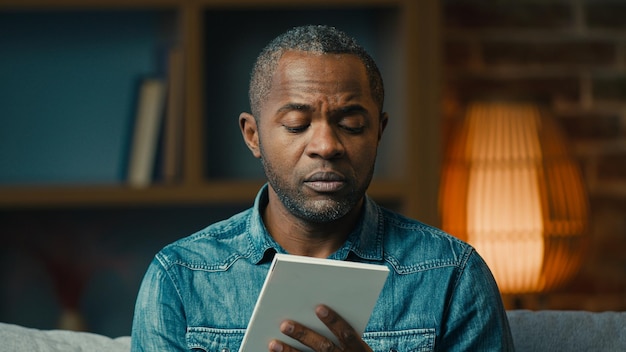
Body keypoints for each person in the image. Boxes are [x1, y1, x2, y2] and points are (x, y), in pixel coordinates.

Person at [131, 25, 514, 351]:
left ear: (379, 132)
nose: (326, 146)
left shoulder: (452, 275)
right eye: (297, 124)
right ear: (253, 136)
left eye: (351, 124)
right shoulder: (181, 277)